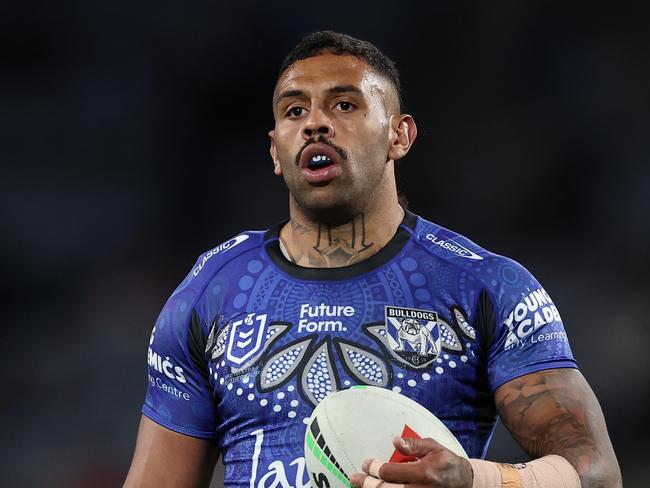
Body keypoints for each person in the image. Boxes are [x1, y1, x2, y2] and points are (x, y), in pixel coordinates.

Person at [124, 31, 622, 488]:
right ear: (276, 150)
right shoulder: (212, 290)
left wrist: (474, 480)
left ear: (398, 136)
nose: (315, 122)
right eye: (294, 111)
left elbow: (596, 474)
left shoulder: (485, 286)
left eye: (344, 104)